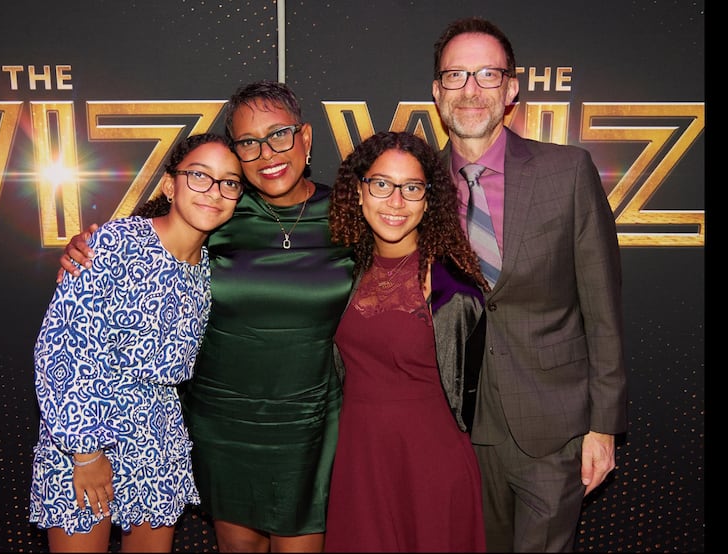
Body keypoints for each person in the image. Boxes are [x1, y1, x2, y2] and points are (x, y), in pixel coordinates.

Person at [57, 80, 355, 552]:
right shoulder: (220, 209)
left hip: (311, 423)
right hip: (223, 422)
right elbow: (151, 247)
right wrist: (84, 250)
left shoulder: (348, 212)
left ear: (306, 137)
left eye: (279, 134)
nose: (267, 153)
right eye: (248, 144)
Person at [431, 17, 628, 552]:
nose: (470, 90)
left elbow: (602, 309)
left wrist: (603, 426)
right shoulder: (414, 186)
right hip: (456, 428)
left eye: (487, 75)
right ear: (436, 91)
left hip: (552, 426)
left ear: (512, 89)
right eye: (455, 76)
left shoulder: (567, 171)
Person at [31, 133, 244, 552]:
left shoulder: (208, 268)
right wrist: (85, 453)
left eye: (229, 182)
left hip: (158, 436)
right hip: (85, 432)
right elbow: (60, 350)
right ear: (170, 185)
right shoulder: (114, 244)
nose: (214, 191)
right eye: (200, 176)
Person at [325, 131, 488, 552]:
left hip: (430, 461)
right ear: (358, 192)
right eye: (381, 184)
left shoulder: (450, 282)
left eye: (411, 188)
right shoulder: (344, 268)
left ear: (428, 199)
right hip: (359, 458)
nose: (395, 201)